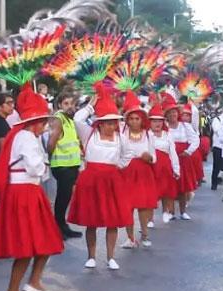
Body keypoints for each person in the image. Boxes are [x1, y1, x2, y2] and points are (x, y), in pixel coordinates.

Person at [0, 82, 63, 291]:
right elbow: (36, 168)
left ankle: (33, 282)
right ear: (35, 122)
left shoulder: (22, 136)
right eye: (43, 121)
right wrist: (44, 163)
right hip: (25, 193)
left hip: (28, 192)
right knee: (28, 244)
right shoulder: (27, 138)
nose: (45, 125)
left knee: (46, 239)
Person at [67, 85, 132, 271]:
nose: (112, 126)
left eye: (114, 122)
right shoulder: (89, 134)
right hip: (91, 182)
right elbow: (77, 119)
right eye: (109, 123)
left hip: (112, 181)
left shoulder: (120, 138)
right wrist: (91, 105)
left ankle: (111, 257)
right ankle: (91, 256)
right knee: (92, 220)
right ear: (100, 123)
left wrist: (118, 167)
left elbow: (127, 155)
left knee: (112, 221)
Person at [118, 91, 158, 248]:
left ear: (142, 120)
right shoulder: (122, 134)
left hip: (143, 173)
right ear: (127, 120)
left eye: (137, 118)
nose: (134, 121)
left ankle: (145, 234)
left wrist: (149, 158)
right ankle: (130, 238)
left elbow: (154, 156)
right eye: (131, 118)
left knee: (143, 206)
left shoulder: (148, 135)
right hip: (126, 173)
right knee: (127, 206)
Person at [46, 92, 83, 239]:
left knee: (66, 197)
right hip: (62, 165)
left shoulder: (69, 120)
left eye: (72, 103)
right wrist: (49, 158)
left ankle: (62, 226)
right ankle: (58, 228)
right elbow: (51, 143)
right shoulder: (59, 119)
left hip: (71, 164)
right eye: (66, 103)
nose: (70, 106)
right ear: (60, 105)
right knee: (62, 198)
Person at [165, 93, 199, 221]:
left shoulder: (185, 126)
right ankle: (171, 211)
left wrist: (188, 151)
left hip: (183, 158)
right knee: (170, 186)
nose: (172, 115)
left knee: (183, 187)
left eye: (174, 112)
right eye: (170, 113)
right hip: (169, 158)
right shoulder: (165, 127)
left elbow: (195, 140)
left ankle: (183, 211)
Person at [148, 99, 180, 230]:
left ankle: (166, 211)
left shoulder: (168, 135)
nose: (157, 124)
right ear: (149, 122)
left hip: (166, 167)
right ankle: (149, 219)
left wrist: (176, 169)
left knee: (166, 191)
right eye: (154, 121)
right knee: (151, 193)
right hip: (151, 168)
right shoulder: (147, 135)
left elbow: (173, 153)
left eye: (159, 121)